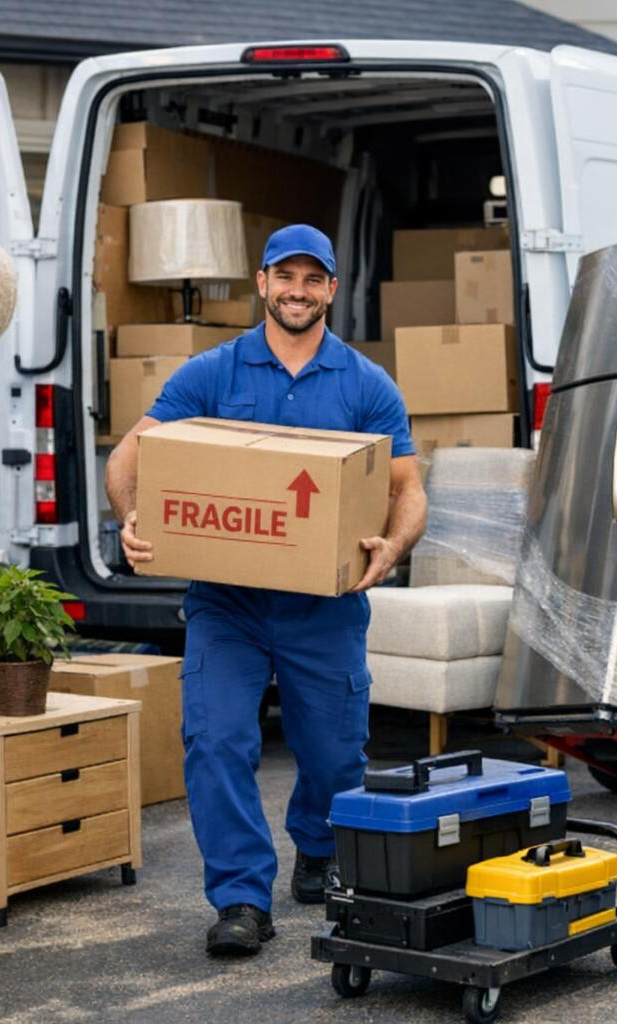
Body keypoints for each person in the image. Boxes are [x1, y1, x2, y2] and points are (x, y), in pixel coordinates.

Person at [104, 224, 426, 957]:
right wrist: (131, 514)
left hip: (325, 607)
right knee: (215, 739)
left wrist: (393, 543)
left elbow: (407, 487)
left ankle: (318, 845)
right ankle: (242, 897)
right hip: (228, 604)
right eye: (286, 276)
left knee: (336, 755)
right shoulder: (212, 374)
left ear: (332, 289)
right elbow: (130, 454)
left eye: (313, 279)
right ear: (262, 283)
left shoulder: (366, 384)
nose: (297, 291)